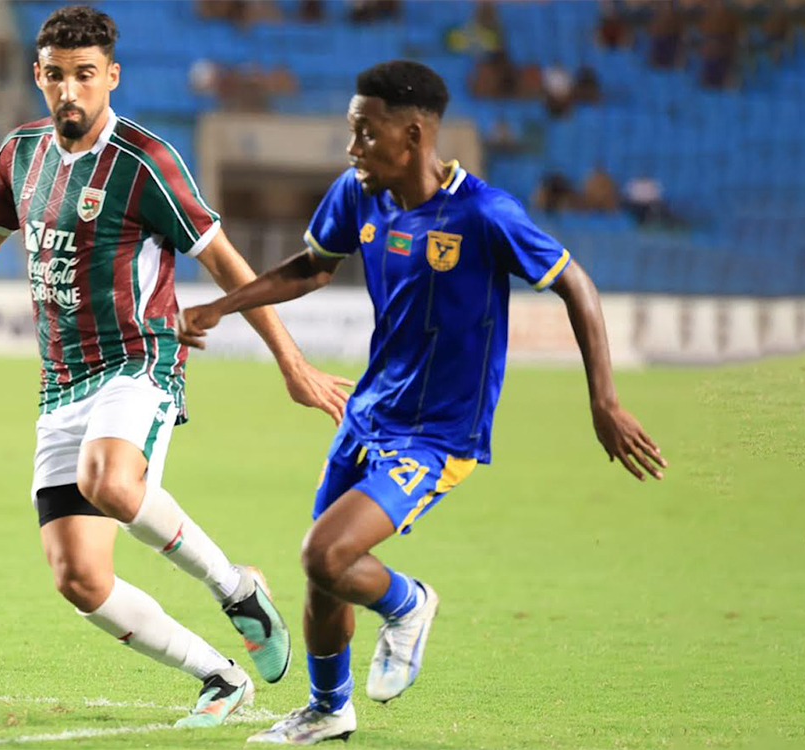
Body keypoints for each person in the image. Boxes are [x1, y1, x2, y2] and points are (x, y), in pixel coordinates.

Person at [0, 5, 352, 730]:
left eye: (85, 75)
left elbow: (224, 259)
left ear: (111, 76)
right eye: (56, 75)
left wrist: (292, 363)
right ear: (38, 75)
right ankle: (219, 676)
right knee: (79, 578)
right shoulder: (20, 155)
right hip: (62, 381)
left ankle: (236, 589)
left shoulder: (145, 162)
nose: (70, 90)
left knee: (111, 482)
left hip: (140, 360)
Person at [175, 60, 667, 744]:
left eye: (365, 132)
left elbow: (574, 284)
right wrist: (222, 305)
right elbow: (312, 267)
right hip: (368, 413)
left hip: (438, 434)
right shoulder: (358, 195)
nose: (353, 147)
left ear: (412, 135)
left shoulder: (485, 214)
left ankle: (409, 603)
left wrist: (604, 402)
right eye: (352, 131)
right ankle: (329, 709)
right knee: (325, 578)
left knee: (325, 554)